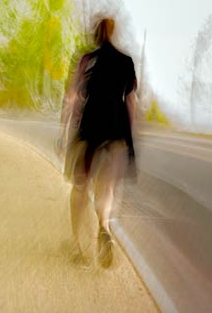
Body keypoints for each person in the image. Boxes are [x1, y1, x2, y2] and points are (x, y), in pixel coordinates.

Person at [57, 17, 137, 268]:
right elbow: (131, 102)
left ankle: (78, 247)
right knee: (108, 189)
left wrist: (63, 129)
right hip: (116, 132)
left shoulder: (86, 60)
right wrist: (128, 136)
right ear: (113, 33)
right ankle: (104, 228)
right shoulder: (126, 62)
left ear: (96, 33)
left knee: (80, 186)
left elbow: (72, 97)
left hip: (91, 129)